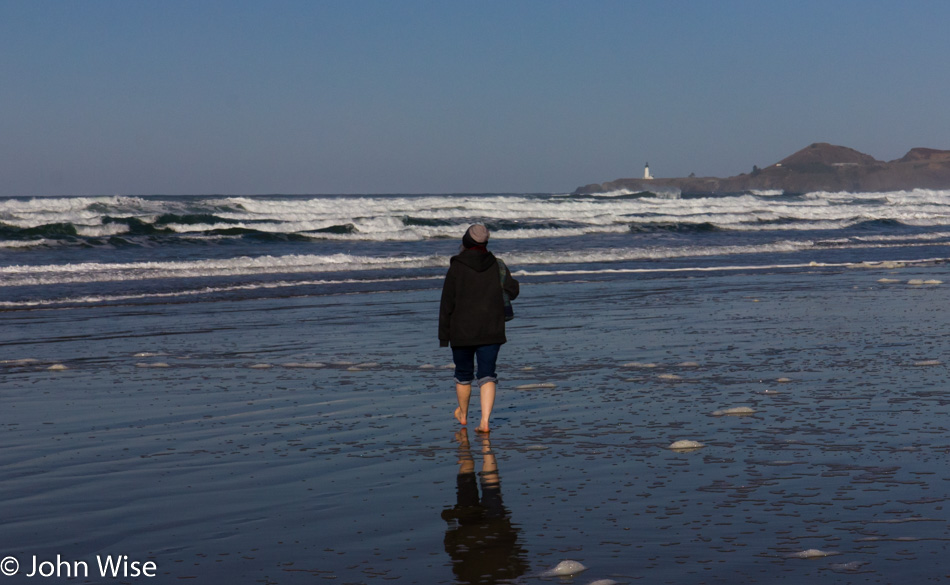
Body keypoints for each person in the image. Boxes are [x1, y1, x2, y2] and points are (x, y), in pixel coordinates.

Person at [439, 224, 519, 434]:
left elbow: (447, 303)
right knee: (487, 375)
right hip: (492, 329)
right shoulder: (497, 264)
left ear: (466, 242)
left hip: (461, 331)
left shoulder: (456, 267)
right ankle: (484, 421)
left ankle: (463, 414)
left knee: (463, 375)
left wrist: (443, 336)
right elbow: (513, 290)